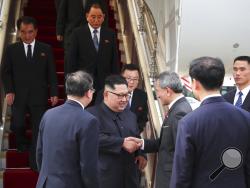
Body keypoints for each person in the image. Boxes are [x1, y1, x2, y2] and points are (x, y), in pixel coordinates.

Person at [170, 57, 250, 188]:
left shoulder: (189, 123)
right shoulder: (246, 118)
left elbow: (182, 174)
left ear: (195, 83)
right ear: (221, 81)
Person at [1, 16, 58, 170]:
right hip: (18, 96)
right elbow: (5, 73)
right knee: (17, 124)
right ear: (19, 32)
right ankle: (21, 143)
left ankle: (35, 162)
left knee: (38, 129)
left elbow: (51, 73)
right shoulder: (11, 49)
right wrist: (9, 91)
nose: (27, 36)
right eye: (24, 32)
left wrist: (54, 92)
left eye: (30, 32)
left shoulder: (45, 49)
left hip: (38, 96)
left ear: (36, 32)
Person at [127, 71, 192, 188]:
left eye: (157, 91)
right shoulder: (178, 108)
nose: (157, 95)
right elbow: (165, 143)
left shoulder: (179, 112)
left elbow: (183, 152)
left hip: (172, 179)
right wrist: (141, 143)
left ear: (167, 91)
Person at [36, 71, 99, 188]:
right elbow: (88, 167)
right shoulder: (89, 121)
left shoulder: (48, 114)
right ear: (88, 93)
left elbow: (39, 154)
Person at [87, 75, 147, 188]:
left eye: (127, 95)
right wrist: (121, 143)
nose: (124, 99)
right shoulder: (91, 115)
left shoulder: (131, 116)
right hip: (105, 178)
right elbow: (93, 138)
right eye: (120, 96)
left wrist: (140, 154)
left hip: (130, 178)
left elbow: (136, 136)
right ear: (106, 94)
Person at [68, 3, 119, 91]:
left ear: (103, 17)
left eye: (99, 17)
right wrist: (72, 81)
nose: (96, 20)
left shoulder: (110, 34)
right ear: (87, 16)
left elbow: (114, 60)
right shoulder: (77, 33)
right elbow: (71, 59)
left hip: (104, 83)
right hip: (83, 82)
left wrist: (115, 82)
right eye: (93, 17)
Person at [56, 0, 108, 76]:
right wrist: (59, 31)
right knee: (70, 64)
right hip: (71, 33)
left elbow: (103, 13)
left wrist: (104, 32)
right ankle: (69, 85)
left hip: (89, 34)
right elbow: (62, 12)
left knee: (88, 64)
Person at [95, 64, 148, 133]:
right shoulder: (106, 93)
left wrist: (135, 132)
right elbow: (99, 115)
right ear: (121, 77)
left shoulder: (142, 96)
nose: (132, 82)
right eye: (128, 78)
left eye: (135, 79)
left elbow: (143, 119)